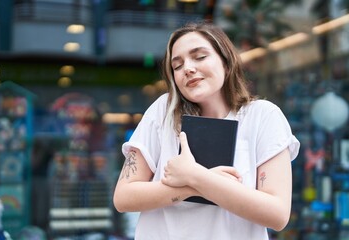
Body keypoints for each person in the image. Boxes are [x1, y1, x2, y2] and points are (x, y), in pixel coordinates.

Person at [113, 21, 300, 240]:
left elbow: (277, 214)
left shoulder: (262, 116)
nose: (188, 68)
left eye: (200, 57)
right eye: (177, 65)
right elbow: (124, 197)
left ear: (226, 63)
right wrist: (194, 185)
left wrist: (194, 175)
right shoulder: (164, 111)